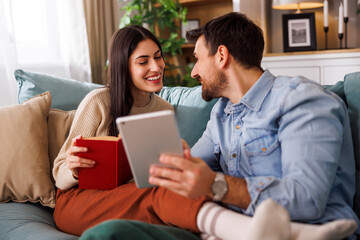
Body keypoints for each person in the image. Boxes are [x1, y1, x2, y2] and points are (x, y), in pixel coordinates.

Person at [148, 12, 360, 240]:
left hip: (312, 230)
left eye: (197, 59)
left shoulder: (301, 100)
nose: (193, 72)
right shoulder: (221, 114)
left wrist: (214, 184)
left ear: (221, 56)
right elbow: (192, 171)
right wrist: (181, 161)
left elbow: (306, 199)